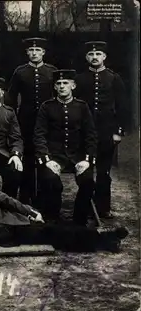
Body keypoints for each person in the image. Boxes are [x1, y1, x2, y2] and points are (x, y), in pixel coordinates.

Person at [0, 155, 128, 254]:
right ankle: (104, 241)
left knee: (52, 228)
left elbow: (2, 199)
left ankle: (104, 240)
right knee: (51, 234)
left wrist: (29, 211)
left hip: (9, 219)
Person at [34, 70, 97, 225]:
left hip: (78, 156)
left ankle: (79, 219)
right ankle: (52, 218)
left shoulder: (82, 107)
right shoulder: (46, 107)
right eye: (59, 84)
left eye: (66, 83)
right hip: (54, 156)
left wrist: (87, 160)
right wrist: (47, 159)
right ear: (55, 87)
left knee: (88, 181)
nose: (62, 87)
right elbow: (39, 135)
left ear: (73, 86)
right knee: (51, 181)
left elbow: (91, 135)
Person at [75, 41, 127, 219]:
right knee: (86, 170)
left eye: (98, 54)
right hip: (84, 132)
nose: (94, 57)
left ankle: (103, 207)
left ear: (104, 57)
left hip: (106, 132)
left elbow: (122, 106)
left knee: (104, 172)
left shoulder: (114, 78)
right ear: (86, 57)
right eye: (91, 54)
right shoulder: (79, 79)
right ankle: (85, 206)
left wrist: (118, 131)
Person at [6, 38, 58, 205]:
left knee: (44, 156)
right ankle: (25, 196)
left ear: (43, 52)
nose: (34, 53)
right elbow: (11, 98)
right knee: (27, 158)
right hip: (26, 120)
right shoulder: (20, 72)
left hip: (48, 121)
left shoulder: (52, 71)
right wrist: (12, 120)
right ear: (27, 53)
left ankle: (43, 197)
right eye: (31, 50)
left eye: (38, 50)